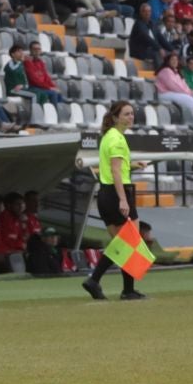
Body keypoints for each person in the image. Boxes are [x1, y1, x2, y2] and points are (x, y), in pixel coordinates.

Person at [81, 101, 145, 301]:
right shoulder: (117, 139)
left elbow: (113, 168)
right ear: (116, 117)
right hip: (117, 194)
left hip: (105, 195)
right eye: (126, 114)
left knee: (122, 243)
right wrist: (124, 200)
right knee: (129, 242)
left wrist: (133, 165)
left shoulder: (108, 137)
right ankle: (98, 280)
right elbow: (116, 171)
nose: (130, 117)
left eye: (132, 114)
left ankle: (125, 289)